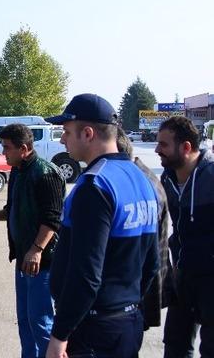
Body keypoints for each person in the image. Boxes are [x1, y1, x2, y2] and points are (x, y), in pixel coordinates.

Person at [44, 93, 159, 358]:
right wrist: (128, 307)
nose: (62, 139)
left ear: (87, 133)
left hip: (94, 329)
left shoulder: (95, 187)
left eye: (66, 131)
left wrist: (59, 336)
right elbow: (152, 263)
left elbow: (85, 275)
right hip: (126, 322)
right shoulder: (141, 179)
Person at [0, 123, 65, 358]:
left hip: (42, 262)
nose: (3, 153)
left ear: (23, 149)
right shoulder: (19, 172)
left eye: (7, 148)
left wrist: (37, 249)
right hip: (24, 259)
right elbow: (13, 208)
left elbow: (52, 218)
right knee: (25, 321)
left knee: (41, 322)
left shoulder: (46, 173)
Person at [156, 116, 214, 357]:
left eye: (164, 144)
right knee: (175, 345)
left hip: (211, 280)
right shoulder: (167, 178)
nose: (157, 149)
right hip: (182, 277)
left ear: (186, 147)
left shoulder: (211, 177)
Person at [116, 127, 172, 330]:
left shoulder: (139, 183)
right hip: (135, 295)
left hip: (132, 299)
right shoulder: (143, 177)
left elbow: (146, 254)